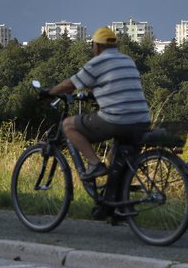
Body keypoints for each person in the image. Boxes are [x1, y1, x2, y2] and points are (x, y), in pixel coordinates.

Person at [46, 27, 151, 180]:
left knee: (68, 125)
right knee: (114, 157)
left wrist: (49, 92)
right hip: (141, 120)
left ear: (96, 46)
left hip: (117, 120)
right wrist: (94, 94)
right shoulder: (128, 60)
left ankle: (94, 164)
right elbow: (119, 88)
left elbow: (70, 85)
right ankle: (119, 198)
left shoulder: (97, 63)